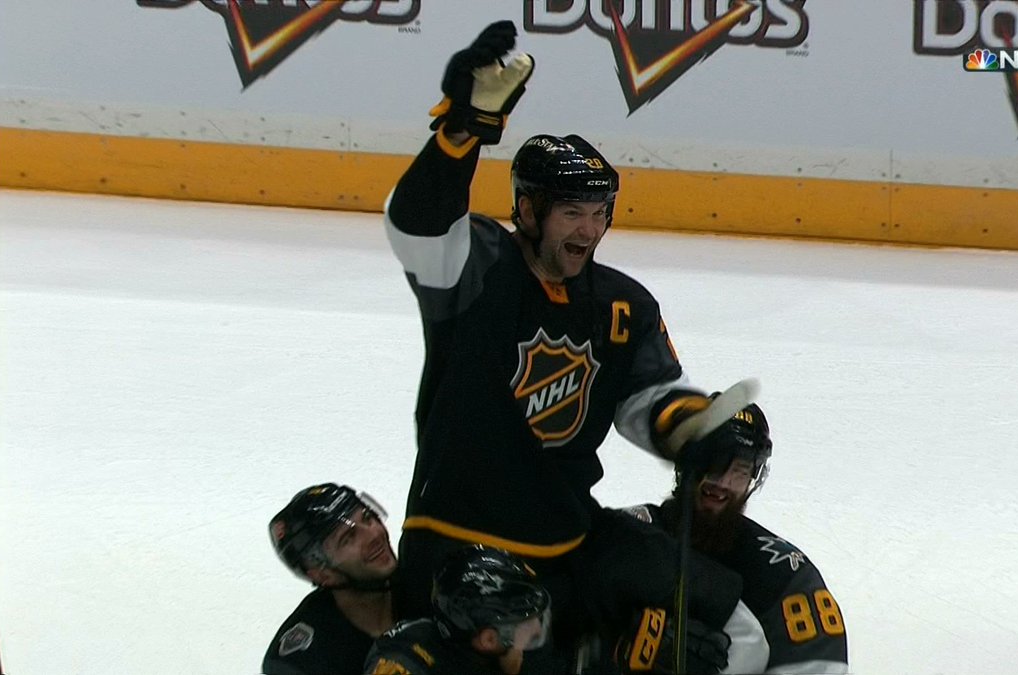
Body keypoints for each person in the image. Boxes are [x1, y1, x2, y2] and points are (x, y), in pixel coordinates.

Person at [384, 18, 766, 674]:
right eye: (571, 212)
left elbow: (648, 396)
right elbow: (417, 223)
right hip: (456, 542)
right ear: (529, 211)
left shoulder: (622, 303)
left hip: (571, 536)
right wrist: (461, 132)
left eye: (599, 212)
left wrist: (687, 427)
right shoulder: (476, 269)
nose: (589, 230)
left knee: (734, 624)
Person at [620, 403, 850, 674]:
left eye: (740, 470)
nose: (722, 482)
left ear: (754, 477)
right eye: (713, 462)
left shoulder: (783, 575)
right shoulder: (625, 535)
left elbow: (822, 668)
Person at [263, 483, 402, 675]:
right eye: (348, 538)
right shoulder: (305, 662)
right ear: (322, 574)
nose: (374, 534)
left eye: (368, 518)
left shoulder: (429, 586)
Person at [363, 545, 552, 675]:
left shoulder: (486, 656)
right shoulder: (403, 662)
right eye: (525, 624)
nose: (536, 628)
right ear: (488, 639)